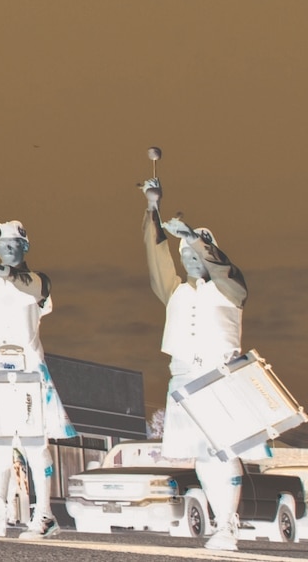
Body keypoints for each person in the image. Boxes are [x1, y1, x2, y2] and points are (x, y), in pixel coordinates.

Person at [143, 176, 259, 553]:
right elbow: (155, 253)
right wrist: (152, 208)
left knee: (222, 450)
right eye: (187, 255)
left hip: (218, 374)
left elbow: (225, 272)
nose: (192, 260)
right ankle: (218, 521)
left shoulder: (231, 287)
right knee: (201, 454)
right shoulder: (176, 292)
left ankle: (228, 522)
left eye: (199, 254)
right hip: (183, 376)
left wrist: (195, 237)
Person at [0, 190, 71, 539]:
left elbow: (30, 289)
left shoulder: (38, 280)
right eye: (3, 243)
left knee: (35, 445)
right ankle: (0, 508)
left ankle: (45, 514)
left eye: (14, 244)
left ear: (25, 248)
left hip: (27, 371)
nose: (7, 248)